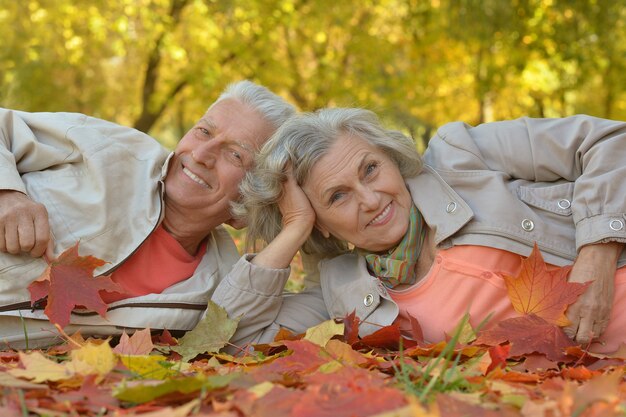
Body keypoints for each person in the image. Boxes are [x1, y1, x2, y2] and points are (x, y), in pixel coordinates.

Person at [211, 108, 626, 354]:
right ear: (316, 222)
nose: (371, 200)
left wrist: (598, 252)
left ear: (389, 156)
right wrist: (292, 230)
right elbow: (230, 338)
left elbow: (609, 140)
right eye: (338, 197)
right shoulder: (342, 291)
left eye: (370, 169)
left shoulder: (460, 157)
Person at [0, 80, 296, 348]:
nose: (201, 154)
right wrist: (8, 193)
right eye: (204, 131)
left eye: (235, 155)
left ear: (250, 200)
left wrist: (298, 224)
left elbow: (255, 334)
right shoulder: (110, 148)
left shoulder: (221, 284)